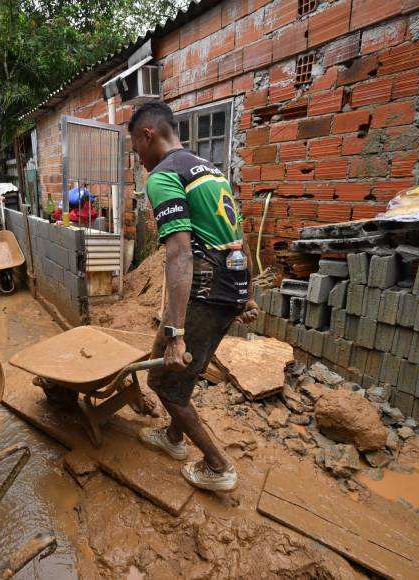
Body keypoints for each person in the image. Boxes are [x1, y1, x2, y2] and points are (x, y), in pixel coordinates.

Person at [129, 101, 258, 492]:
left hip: (205, 292)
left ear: (148, 135)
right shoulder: (210, 170)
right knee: (184, 375)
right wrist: (247, 295)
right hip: (230, 288)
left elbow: (180, 254)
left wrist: (176, 332)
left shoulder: (164, 175)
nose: (139, 159)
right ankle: (173, 438)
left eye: (136, 149)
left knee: (164, 382)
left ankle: (218, 466)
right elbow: (238, 236)